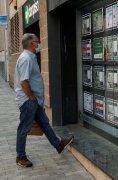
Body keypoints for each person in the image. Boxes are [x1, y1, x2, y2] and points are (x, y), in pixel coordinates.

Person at [14, 33, 74, 168]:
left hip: (33, 101)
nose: (39, 43)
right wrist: (30, 97)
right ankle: (20, 156)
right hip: (28, 101)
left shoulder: (30, 57)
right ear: (31, 44)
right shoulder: (26, 59)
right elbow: (24, 81)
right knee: (23, 128)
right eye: (37, 41)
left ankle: (58, 145)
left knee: (45, 123)